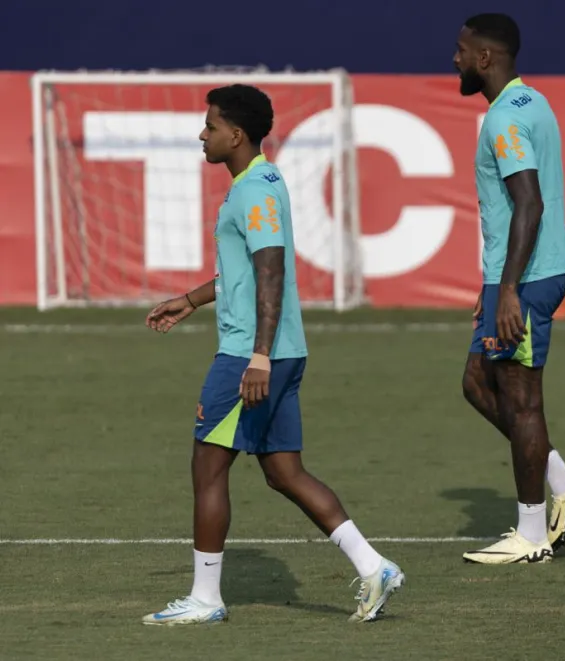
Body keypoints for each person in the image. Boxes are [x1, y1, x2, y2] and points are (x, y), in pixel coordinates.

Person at [142, 84, 404, 625]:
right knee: (284, 471)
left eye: (211, 126)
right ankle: (373, 565)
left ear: (236, 135)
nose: (202, 134)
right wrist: (190, 301)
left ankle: (206, 598)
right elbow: (243, 271)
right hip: (280, 352)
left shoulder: (254, 191)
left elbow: (270, 270)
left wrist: (258, 356)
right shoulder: (259, 182)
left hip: (250, 355)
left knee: (208, 467)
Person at [453, 13, 565, 564]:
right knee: (476, 382)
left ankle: (532, 534)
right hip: (516, 274)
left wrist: (509, 287)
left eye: (461, 50)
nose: (455, 60)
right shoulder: (531, 102)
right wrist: (494, 283)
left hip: (530, 277)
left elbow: (529, 203)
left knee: (522, 401)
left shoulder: (504, 119)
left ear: (484, 57)